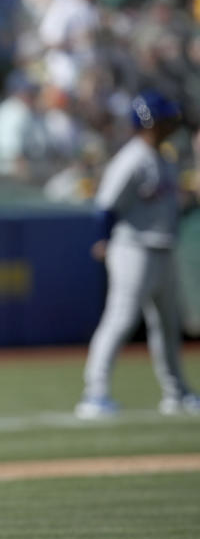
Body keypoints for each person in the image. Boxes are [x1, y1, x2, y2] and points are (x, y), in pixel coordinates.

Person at [75, 90, 200, 419]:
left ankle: (177, 393)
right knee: (120, 319)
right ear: (149, 122)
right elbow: (105, 206)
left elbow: (168, 205)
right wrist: (102, 240)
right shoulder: (132, 158)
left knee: (168, 327)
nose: (171, 123)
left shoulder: (164, 157)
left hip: (162, 246)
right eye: (164, 118)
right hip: (133, 247)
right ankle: (95, 393)